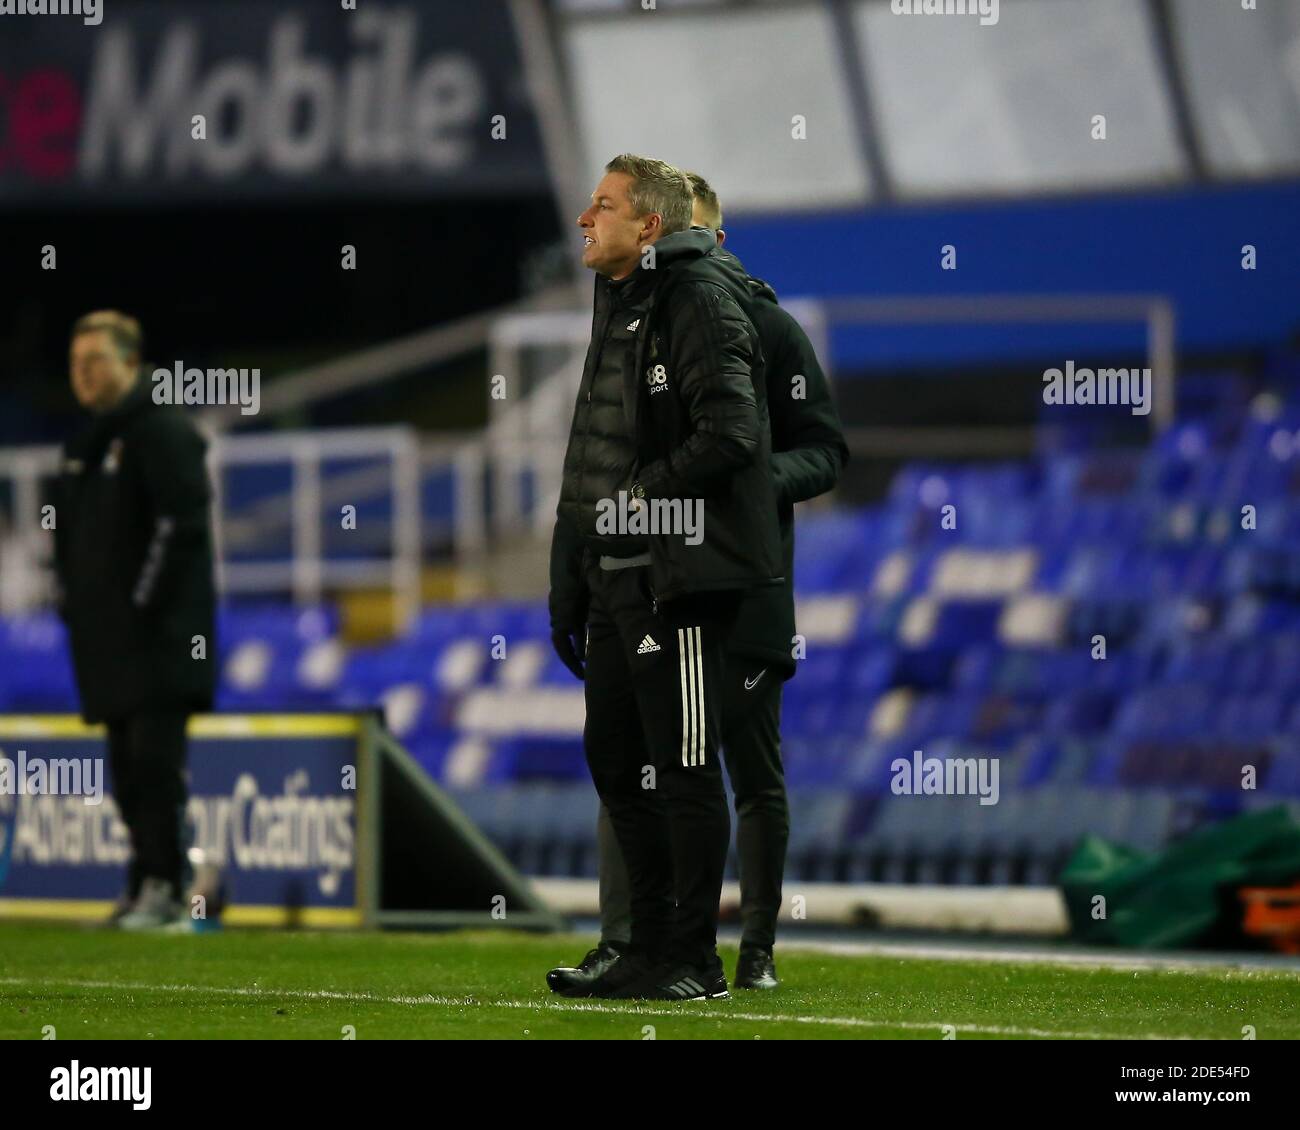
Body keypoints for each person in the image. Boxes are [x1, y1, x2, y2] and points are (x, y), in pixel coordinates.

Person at [548, 173, 848, 993]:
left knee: (732, 769)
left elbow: (813, 449)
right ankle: (635, 941)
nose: (708, 248)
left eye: (712, 235)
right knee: (629, 762)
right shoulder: (631, 311)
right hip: (649, 566)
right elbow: (595, 460)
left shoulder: (752, 320)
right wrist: (574, 564)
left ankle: (743, 949)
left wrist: (746, 488)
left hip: (729, 580)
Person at [55, 311, 217, 930]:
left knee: (154, 765)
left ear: (130, 362)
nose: (83, 375)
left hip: (162, 641)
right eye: (75, 364)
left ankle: (168, 885)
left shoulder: (164, 431)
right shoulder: (84, 447)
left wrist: (138, 607)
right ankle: (141, 880)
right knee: (124, 768)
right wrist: (74, 603)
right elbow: (65, 542)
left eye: (94, 361)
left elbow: (181, 529)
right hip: (106, 646)